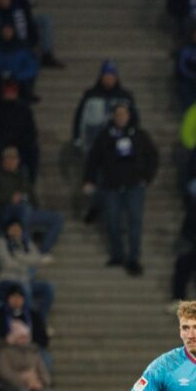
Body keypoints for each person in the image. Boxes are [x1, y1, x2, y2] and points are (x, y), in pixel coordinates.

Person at [83, 102, 159, 275]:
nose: (121, 118)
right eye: (118, 114)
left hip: (134, 186)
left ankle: (133, 258)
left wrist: (146, 178)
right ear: (113, 117)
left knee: (134, 221)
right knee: (113, 221)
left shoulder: (139, 135)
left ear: (129, 116)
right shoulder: (105, 136)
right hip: (111, 186)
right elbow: (93, 159)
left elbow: (153, 156)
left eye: (124, 114)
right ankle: (117, 254)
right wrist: (89, 179)